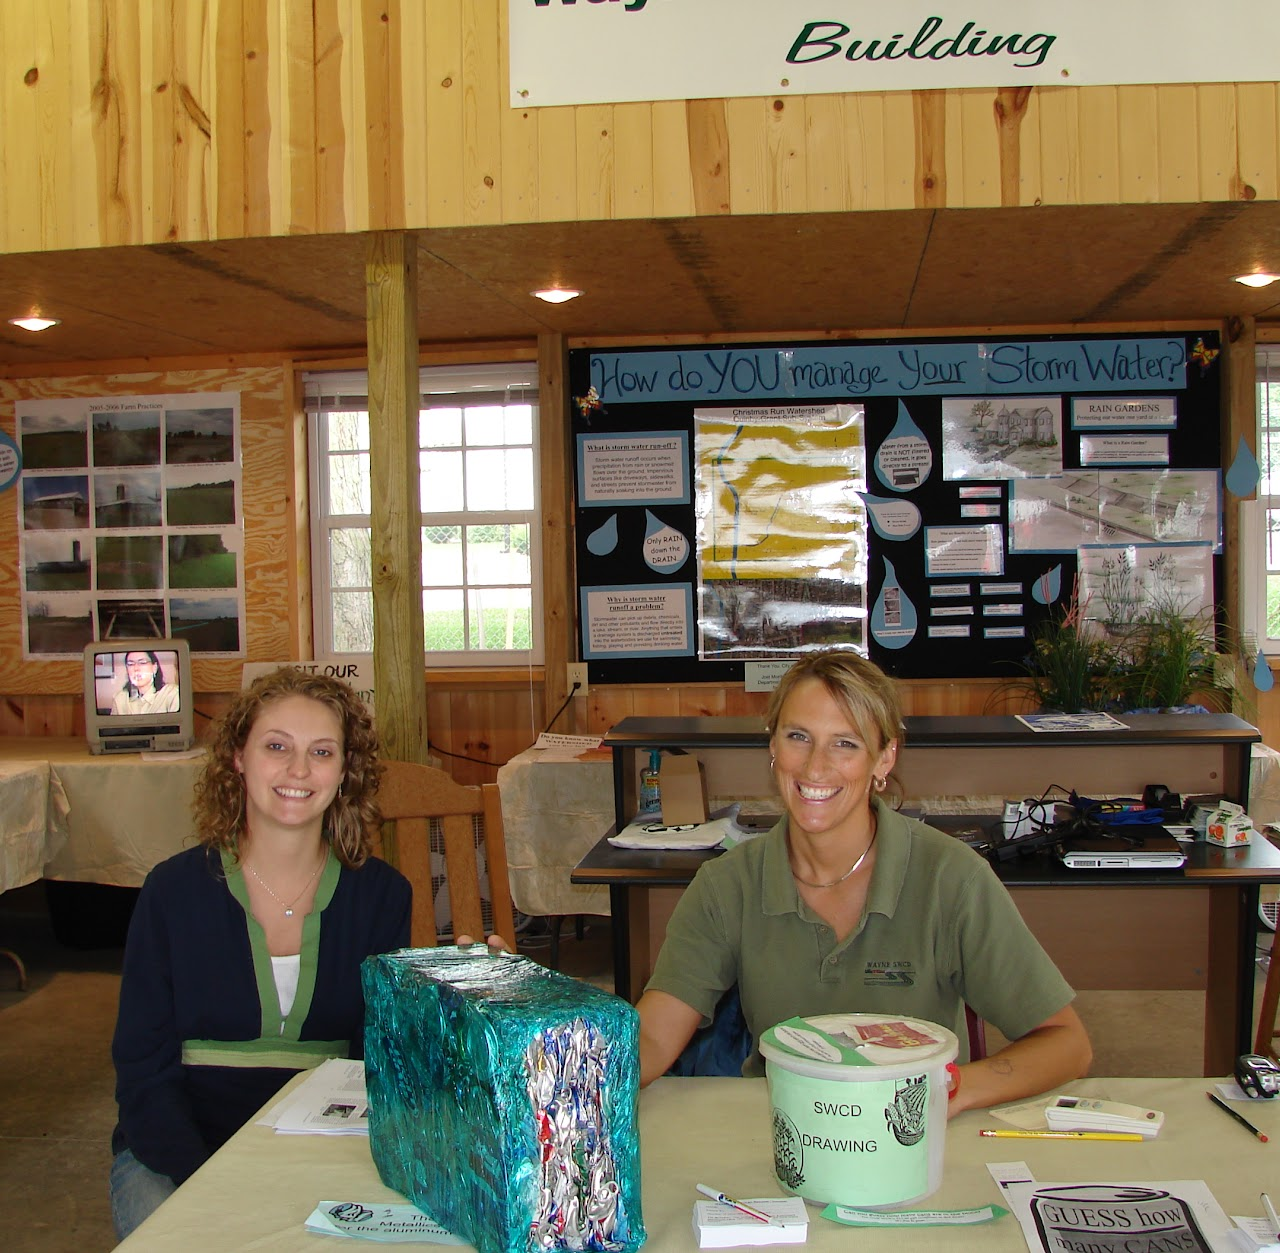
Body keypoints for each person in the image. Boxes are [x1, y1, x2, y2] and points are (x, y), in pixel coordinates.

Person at [636, 647, 1092, 1111]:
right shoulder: (725, 885)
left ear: (884, 757)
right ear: (772, 745)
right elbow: (652, 1037)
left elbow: (1066, 1042)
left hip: (914, 1140)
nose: (815, 767)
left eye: (845, 743)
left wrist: (947, 1091)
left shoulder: (951, 878)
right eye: (799, 736)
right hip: (779, 1133)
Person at [109, 667, 412, 1240]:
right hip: (176, 1151)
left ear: (345, 771)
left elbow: (386, 1061)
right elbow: (142, 1071)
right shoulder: (171, 892)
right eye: (276, 747)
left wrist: (465, 1000)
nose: (298, 770)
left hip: (326, 1152)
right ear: (238, 759)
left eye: (321, 752)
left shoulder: (382, 895)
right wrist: (207, 1181)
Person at [111, 649, 180, 715]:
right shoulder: (119, 699)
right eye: (131, 664)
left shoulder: (172, 694)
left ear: (154, 667)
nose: (136, 669)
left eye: (142, 663)